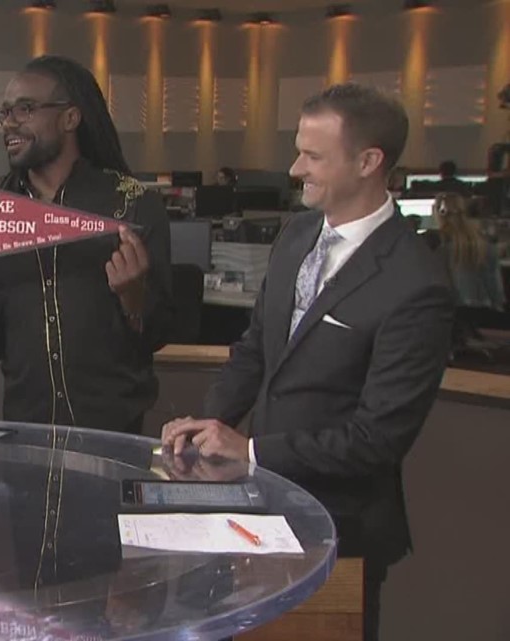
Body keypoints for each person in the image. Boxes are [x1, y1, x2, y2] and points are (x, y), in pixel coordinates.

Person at [160, 83, 455, 641]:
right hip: (263, 513)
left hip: (343, 529)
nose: (296, 169)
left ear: (368, 162)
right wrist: (209, 424)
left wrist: (249, 451)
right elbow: (256, 348)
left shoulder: (415, 283)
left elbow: (376, 439)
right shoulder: (297, 234)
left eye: (313, 156)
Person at [0, 55, 173, 434]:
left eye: (25, 109)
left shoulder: (133, 205)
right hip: (28, 435)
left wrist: (132, 296)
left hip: (114, 437)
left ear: (70, 118)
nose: (10, 123)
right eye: (4, 112)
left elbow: (157, 333)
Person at [433, 192, 506, 311]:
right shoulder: (485, 246)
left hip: (453, 315)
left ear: (438, 214)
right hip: (487, 314)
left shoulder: (437, 247)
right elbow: (496, 293)